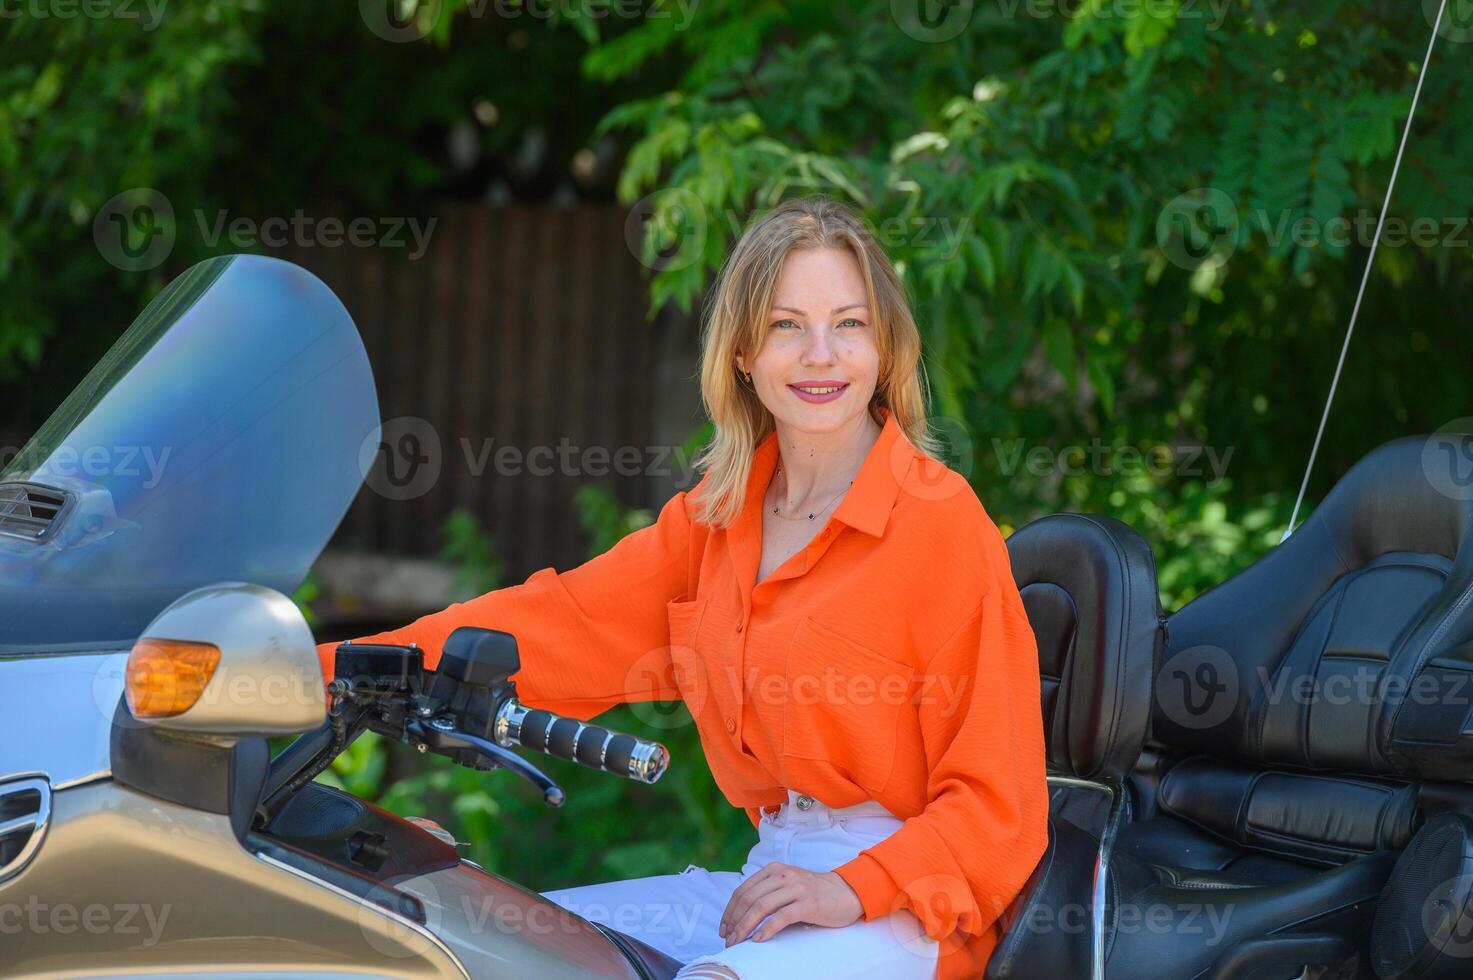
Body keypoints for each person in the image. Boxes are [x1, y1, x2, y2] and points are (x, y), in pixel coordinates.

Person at [317, 196, 1049, 979]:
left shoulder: (937, 523)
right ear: (740, 353)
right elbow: (551, 625)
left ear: (885, 347)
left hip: (905, 906)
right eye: (784, 325)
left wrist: (853, 886)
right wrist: (310, 671)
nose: (819, 355)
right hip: (771, 877)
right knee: (483, 952)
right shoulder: (717, 521)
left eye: (849, 324)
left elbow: (999, 809)